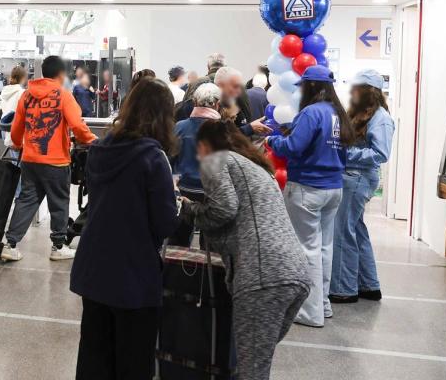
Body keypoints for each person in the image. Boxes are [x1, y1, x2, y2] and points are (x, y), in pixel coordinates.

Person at [181, 120, 311, 380]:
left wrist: (189, 209)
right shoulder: (257, 169)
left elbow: (224, 209)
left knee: (252, 370)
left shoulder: (216, 160)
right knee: (256, 361)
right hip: (295, 273)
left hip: (263, 274)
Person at [70, 78, 179, 380]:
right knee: (133, 359)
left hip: (94, 264)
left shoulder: (100, 149)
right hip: (133, 271)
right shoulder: (153, 158)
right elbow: (165, 222)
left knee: (94, 353)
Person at [265, 65, 353, 328]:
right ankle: (323, 305)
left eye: (303, 85)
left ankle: (309, 312)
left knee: (307, 249)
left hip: (307, 188)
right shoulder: (337, 114)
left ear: (311, 87)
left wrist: (272, 142)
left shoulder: (311, 112)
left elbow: (293, 147)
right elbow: (343, 153)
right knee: (325, 248)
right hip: (333, 188)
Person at [2, 56, 98, 262]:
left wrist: (18, 144)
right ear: (61, 74)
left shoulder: (26, 96)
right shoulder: (63, 95)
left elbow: (17, 128)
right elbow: (78, 125)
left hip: (30, 159)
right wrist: (92, 140)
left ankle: (10, 244)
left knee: (27, 200)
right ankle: (58, 246)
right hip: (56, 161)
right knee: (60, 202)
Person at [329, 69, 395, 304]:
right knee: (356, 230)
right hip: (353, 177)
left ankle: (343, 289)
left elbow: (380, 154)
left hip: (358, 179)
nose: (352, 92)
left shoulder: (381, 119)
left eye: (356, 88)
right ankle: (368, 285)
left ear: (369, 91)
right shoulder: (363, 115)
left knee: (343, 231)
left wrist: (346, 155)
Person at [167, 83, 222, 247]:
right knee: (211, 245)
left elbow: (171, 159)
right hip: (211, 193)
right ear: (217, 104)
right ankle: (206, 272)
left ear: (195, 102)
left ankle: (175, 270)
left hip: (184, 191)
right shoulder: (223, 130)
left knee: (177, 240)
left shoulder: (180, 127)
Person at [0, 64, 27, 144]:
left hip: (5, 130)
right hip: (14, 131)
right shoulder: (22, 93)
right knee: (18, 156)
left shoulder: (5, 91)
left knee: (14, 155)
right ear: (23, 78)